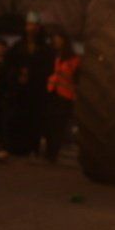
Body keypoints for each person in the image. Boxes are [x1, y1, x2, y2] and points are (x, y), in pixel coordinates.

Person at [0, 15, 53, 162]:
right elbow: (9, 65)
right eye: (28, 25)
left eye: (34, 26)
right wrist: (17, 75)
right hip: (17, 89)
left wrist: (33, 75)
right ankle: (8, 146)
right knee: (12, 117)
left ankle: (29, 148)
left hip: (35, 91)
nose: (31, 29)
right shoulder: (18, 46)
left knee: (32, 120)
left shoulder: (44, 49)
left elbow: (47, 68)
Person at [42, 29, 80, 162]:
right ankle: (48, 151)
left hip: (65, 97)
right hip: (52, 93)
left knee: (58, 126)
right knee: (49, 124)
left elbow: (76, 79)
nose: (56, 41)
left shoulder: (74, 60)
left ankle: (53, 154)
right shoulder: (54, 56)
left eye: (58, 38)